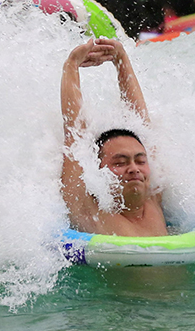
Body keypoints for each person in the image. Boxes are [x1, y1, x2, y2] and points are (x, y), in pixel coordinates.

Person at [60, 39, 166, 237]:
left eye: (140, 160)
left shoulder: (153, 198)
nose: (134, 168)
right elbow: (75, 136)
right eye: (120, 162)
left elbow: (141, 122)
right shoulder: (91, 212)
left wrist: (121, 59)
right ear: (98, 172)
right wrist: (72, 64)